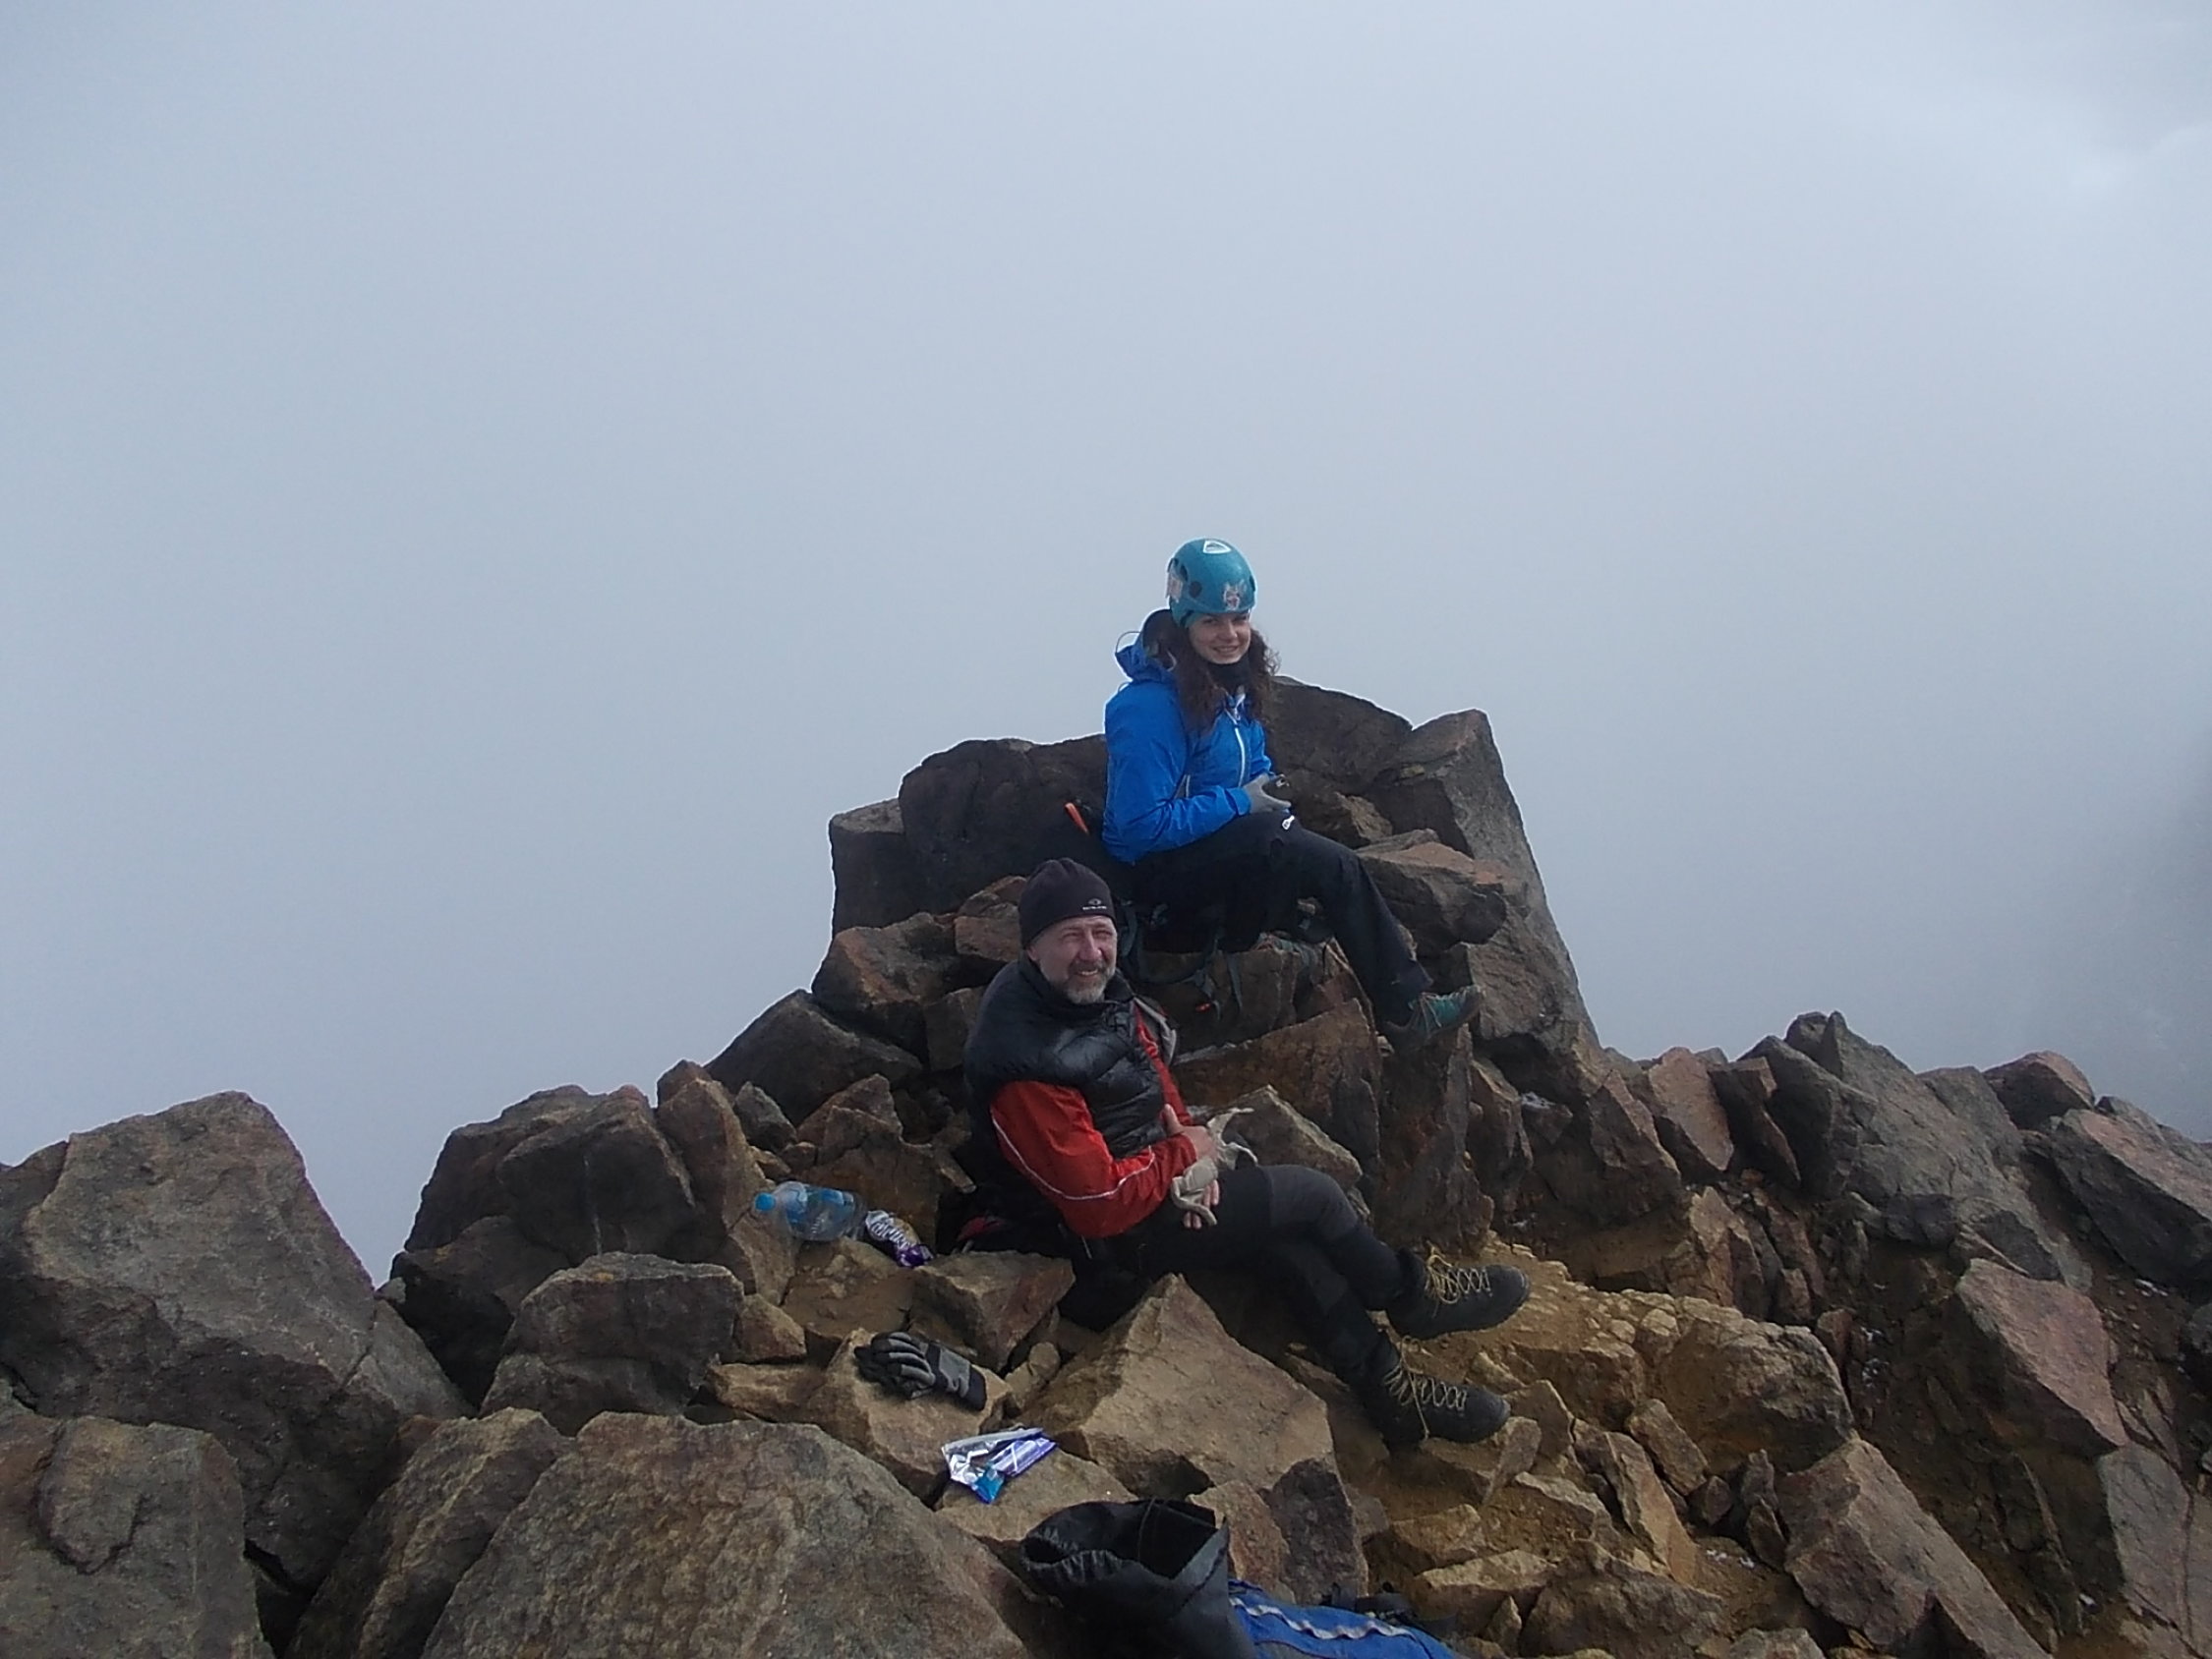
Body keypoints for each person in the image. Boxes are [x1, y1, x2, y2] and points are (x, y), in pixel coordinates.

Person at [963, 857, 1530, 1448]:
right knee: (1314, 1197)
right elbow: (1096, 1204)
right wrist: (1182, 1156)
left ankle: (1393, 1392)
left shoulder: (1081, 993)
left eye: (1101, 933)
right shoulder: (1024, 1066)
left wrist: (1193, 1153)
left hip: (1151, 1182)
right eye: (1070, 936)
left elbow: (1146, 1065)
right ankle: (1411, 1295)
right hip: (1092, 1247)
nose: (1091, 952)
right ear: (1032, 948)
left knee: (1289, 1248)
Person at [1102, 538, 1481, 1051]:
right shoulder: (1150, 708)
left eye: (1239, 618)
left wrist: (1266, 794)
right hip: (1161, 889)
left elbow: (1254, 765)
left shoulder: (1228, 688)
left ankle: (1321, 943)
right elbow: (1135, 830)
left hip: (1214, 860)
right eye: (1212, 621)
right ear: (1183, 620)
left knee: (1300, 842)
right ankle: (1406, 1011)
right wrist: (1244, 803)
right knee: (1311, 853)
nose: (1230, 634)